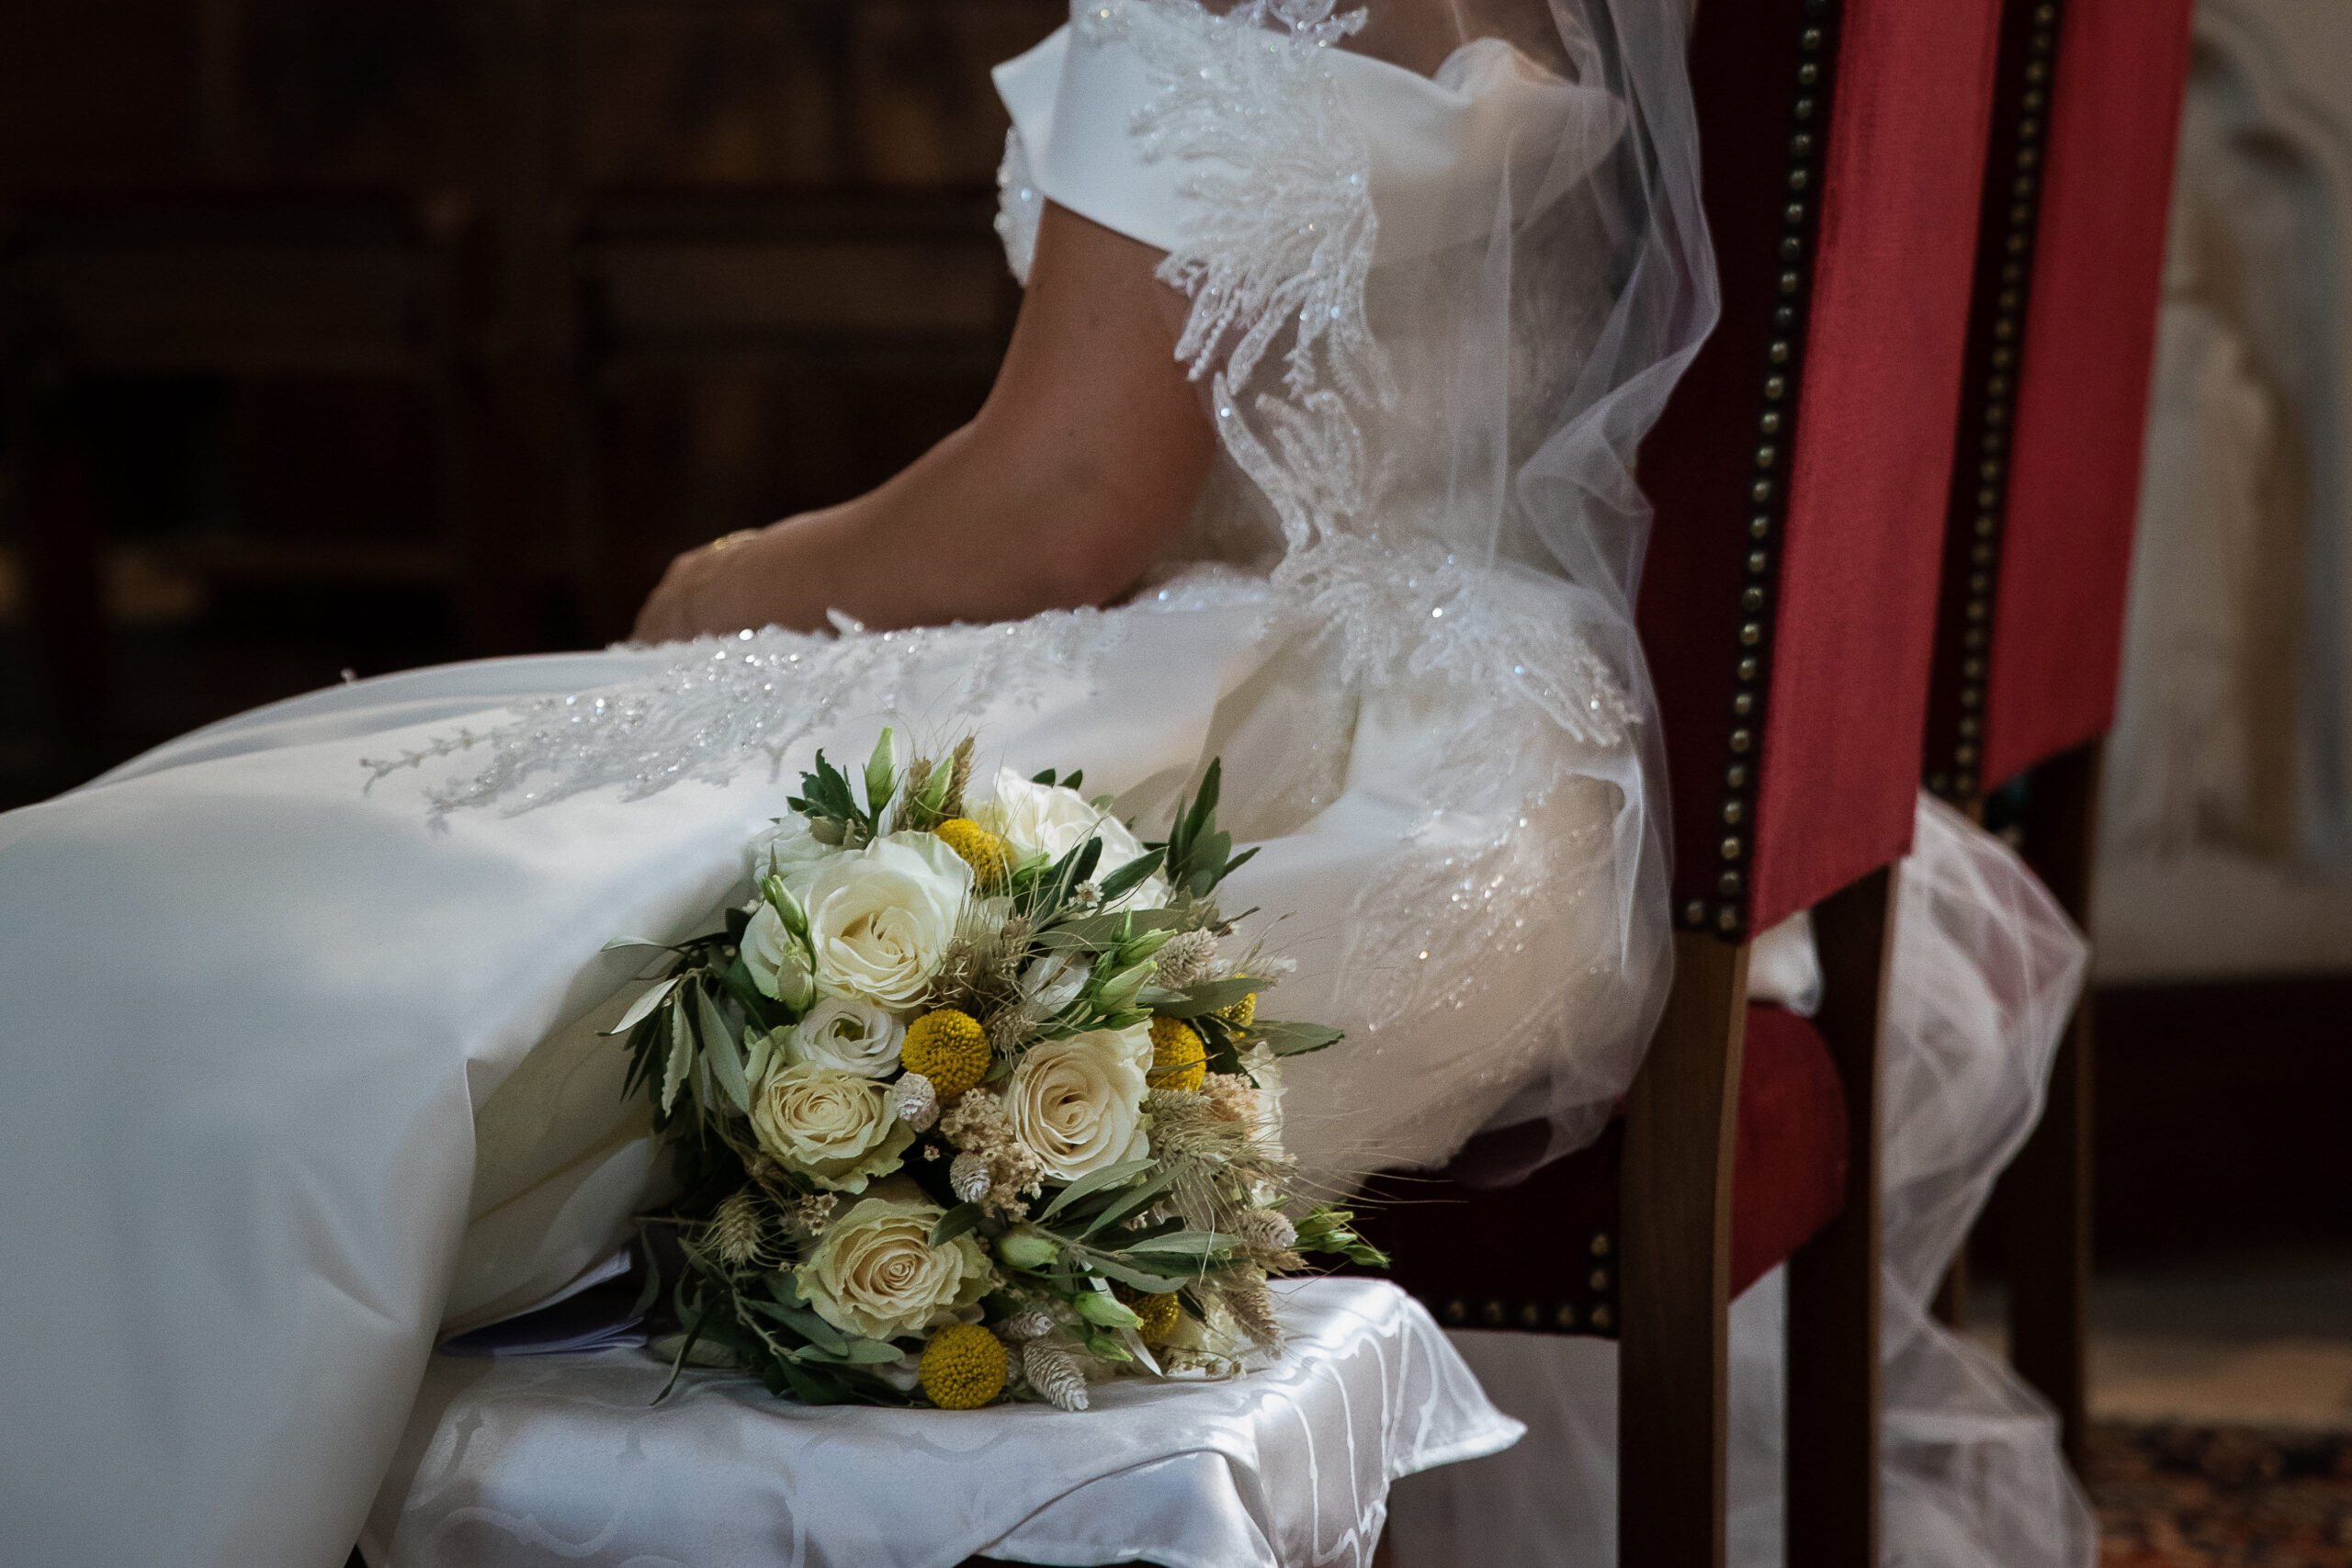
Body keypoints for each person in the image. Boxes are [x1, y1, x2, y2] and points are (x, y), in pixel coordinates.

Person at [0, 0, 2093, 1563]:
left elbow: (1062, 501)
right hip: (1532, 761)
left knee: (201, 925)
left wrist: (711, 589)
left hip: (1298, 736)